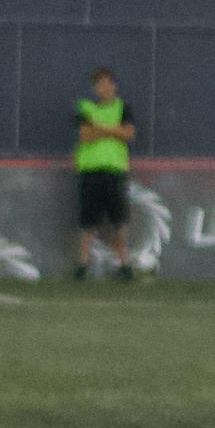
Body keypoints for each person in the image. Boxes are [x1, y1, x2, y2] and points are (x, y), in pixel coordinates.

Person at [71, 67, 138, 280]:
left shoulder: (123, 108)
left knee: (119, 220)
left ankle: (124, 264)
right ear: (94, 88)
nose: (104, 88)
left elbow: (127, 134)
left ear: (114, 85)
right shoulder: (85, 107)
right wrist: (113, 130)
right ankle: (83, 265)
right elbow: (85, 135)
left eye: (108, 83)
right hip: (91, 170)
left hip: (114, 169)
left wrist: (100, 127)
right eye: (100, 84)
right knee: (88, 222)